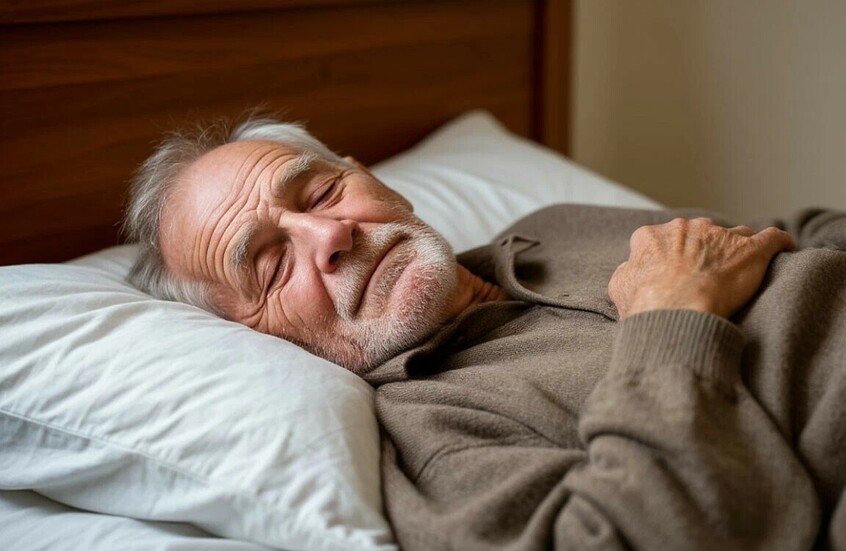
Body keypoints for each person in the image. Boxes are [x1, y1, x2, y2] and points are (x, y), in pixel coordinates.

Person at [123, 116, 846, 550]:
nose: (330, 233)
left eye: (321, 191)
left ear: (369, 177)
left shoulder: (552, 227)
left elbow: (793, 231)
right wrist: (672, 318)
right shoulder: (430, 433)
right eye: (273, 264)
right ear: (251, 332)